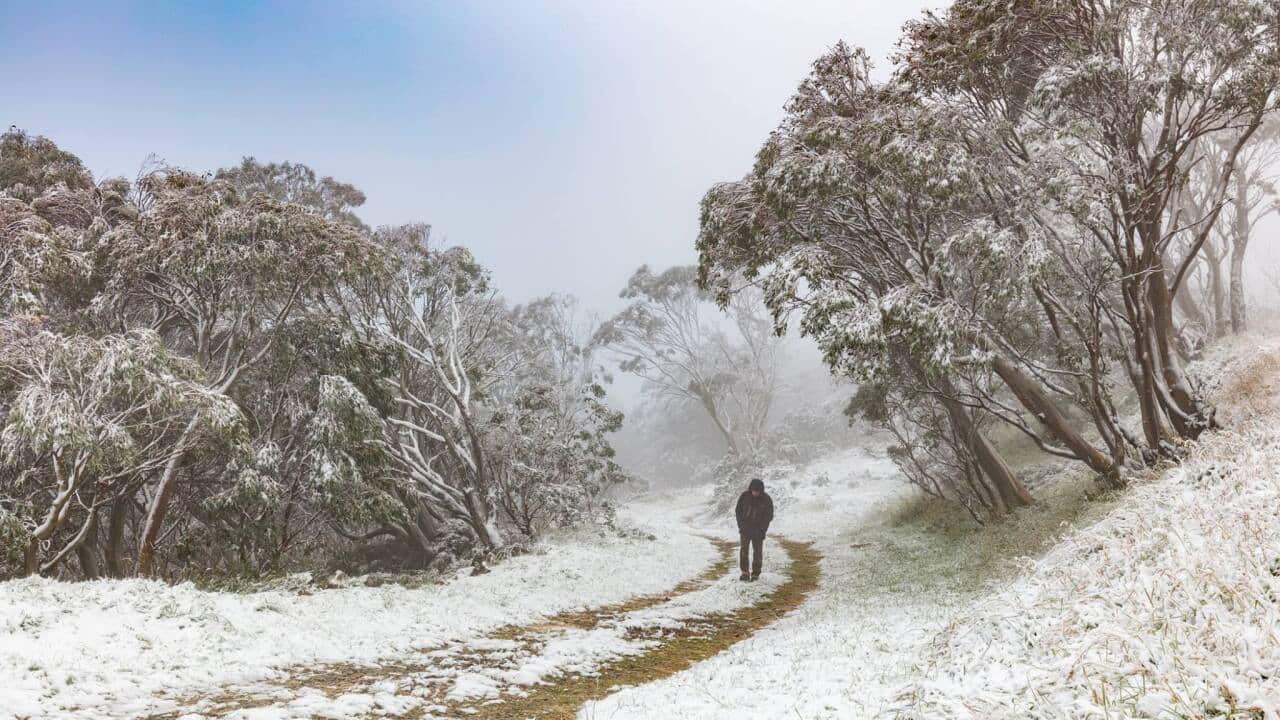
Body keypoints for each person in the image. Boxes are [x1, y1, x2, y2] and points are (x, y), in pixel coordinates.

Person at [734, 478, 774, 582]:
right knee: (744, 551)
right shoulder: (744, 496)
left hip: (758, 530)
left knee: (757, 553)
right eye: (753, 490)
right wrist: (741, 525)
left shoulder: (766, 499)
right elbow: (738, 511)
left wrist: (762, 529)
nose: (755, 493)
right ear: (750, 489)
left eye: (757, 491)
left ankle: (756, 574)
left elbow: (769, 516)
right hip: (745, 529)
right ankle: (745, 572)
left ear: (761, 490)